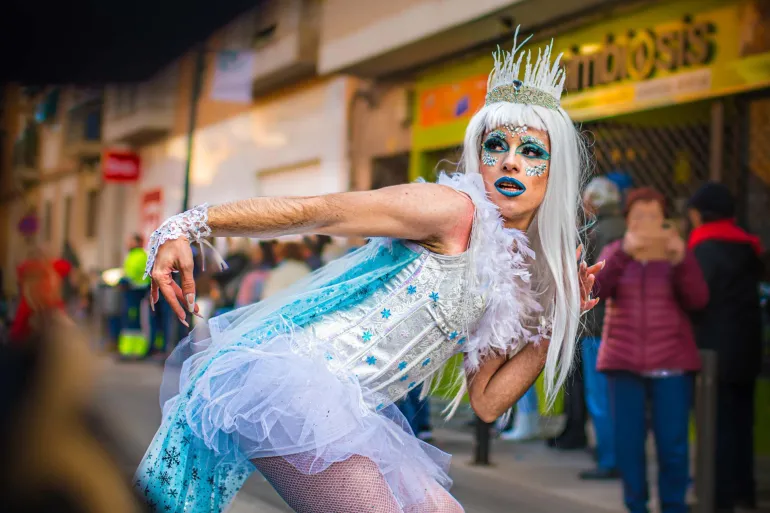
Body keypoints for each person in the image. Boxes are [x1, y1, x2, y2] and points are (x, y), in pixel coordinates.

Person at [136, 30, 600, 513]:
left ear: (555, 168)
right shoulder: (449, 210)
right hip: (297, 387)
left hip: (356, 413)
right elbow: (319, 211)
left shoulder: (508, 272)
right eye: (496, 145)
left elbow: (486, 401)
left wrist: (554, 324)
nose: (509, 160)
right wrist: (189, 224)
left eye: (531, 152)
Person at [594, 187, 709, 513]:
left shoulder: (677, 254)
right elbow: (597, 290)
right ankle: (636, 506)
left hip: (671, 364)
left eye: (653, 216)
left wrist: (681, 260)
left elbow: (698, 299)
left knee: (673, 445)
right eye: (638, 216)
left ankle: (674, 505)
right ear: (628, 220)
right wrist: (623, 254)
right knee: (628, 444)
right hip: (623, 363)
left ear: (664, 220)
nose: (646, 222)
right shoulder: (614, 250)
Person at [687, 182, 763, 512]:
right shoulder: (749, 247)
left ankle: (718, 497)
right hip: (747, 350)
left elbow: (696, 300)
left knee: (715, 424)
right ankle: (743, 490)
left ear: (701, 214)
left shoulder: (703, 249)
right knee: (742, 423)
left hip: (713, 352)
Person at [579, 176, 625, 479]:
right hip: (625, 325)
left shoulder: (594, 233)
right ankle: (622, 454)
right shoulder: (628, 229)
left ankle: (609, 459)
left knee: (600, 398)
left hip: (597, 326)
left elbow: (587, 280)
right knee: (621, 396)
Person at [117, 234, 151, 359]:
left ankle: (136, 350)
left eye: (131, 241)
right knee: (130, 321)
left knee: (135, 321)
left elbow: (136, 273)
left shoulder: (140, 256)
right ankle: (127, 349)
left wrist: (126, 280)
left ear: (137, 242)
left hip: (137, 293)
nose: (128, 244)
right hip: (131, 292)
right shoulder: (132, 255)